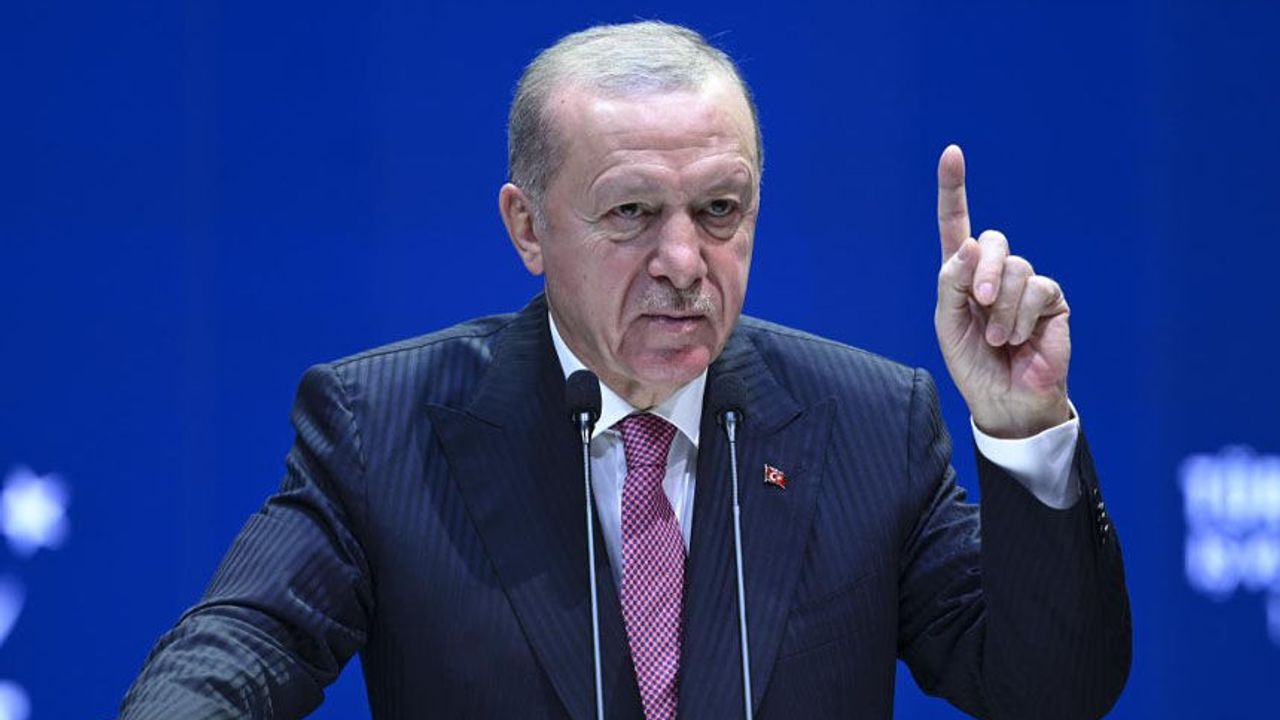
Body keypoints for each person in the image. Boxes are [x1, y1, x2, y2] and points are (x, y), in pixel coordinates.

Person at [120, 21, 1130, 720]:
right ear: (527, 227)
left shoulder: (868, 422)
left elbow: (1050, 694)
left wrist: (1023, 425)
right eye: (632, 212)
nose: (683, 261)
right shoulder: (387, 428)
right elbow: (241, 650)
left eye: (719, 210)